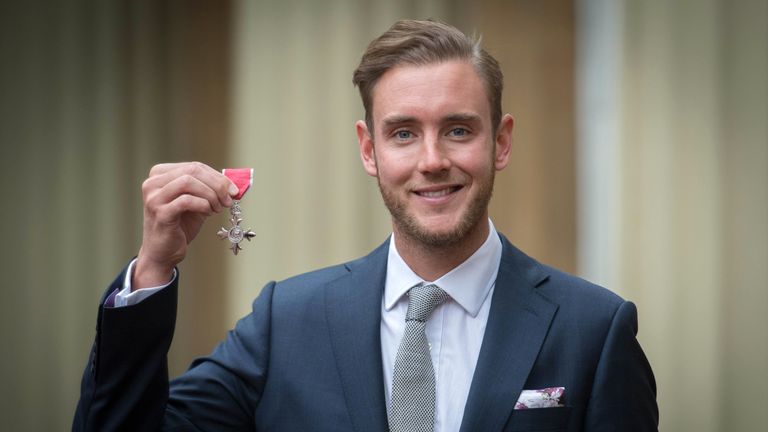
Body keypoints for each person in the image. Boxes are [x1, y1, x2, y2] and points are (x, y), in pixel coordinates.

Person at [73, 19, 658, 432]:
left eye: (458, 129)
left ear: (500, 141)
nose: (432, 160)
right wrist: (151, 270)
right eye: (403, 132)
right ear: (369, 149)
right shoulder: (286, 322)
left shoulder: (594, 330)